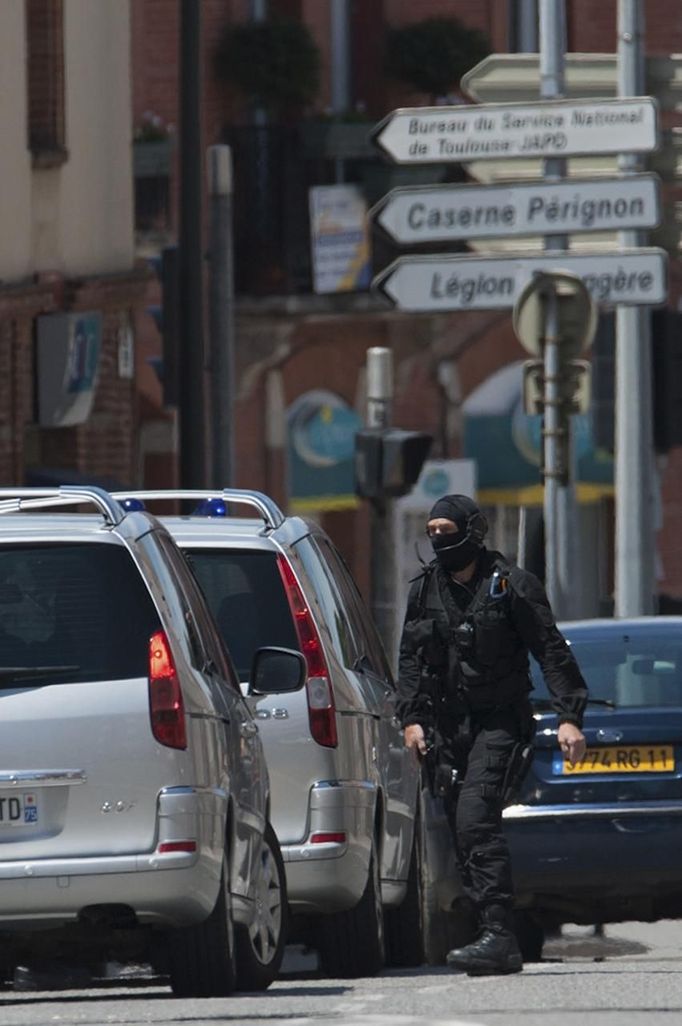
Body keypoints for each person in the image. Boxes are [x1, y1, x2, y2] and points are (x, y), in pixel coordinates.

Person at [397, 494, 587, 976]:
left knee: (476, 818)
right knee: (464, 829)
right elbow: (412, 662)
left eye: (448, 529)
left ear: (474, 532)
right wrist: (412, 720)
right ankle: (490, 929)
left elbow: (552, 652)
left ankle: (499, 936)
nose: (440, 539)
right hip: (448, 727)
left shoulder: (512, 586)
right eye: (432, 531)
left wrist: (568, 717)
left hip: (500, 721)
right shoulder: (424, 591)